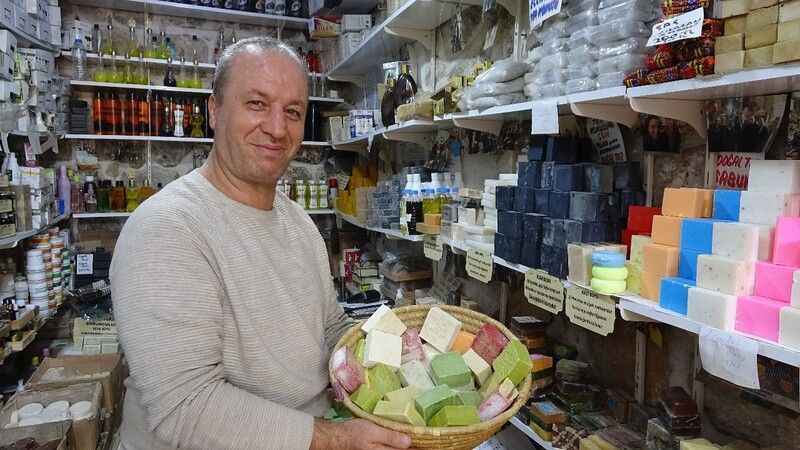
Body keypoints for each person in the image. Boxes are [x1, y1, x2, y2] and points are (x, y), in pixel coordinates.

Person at [110, 37, 412, 450]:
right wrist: (337, 439)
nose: (275, 128)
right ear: (214, 111)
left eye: (292, 112)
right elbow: (187, 407)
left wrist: (402, 351)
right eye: (256, 104)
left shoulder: (299, 222)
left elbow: (329, 330)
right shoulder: (167, 228)